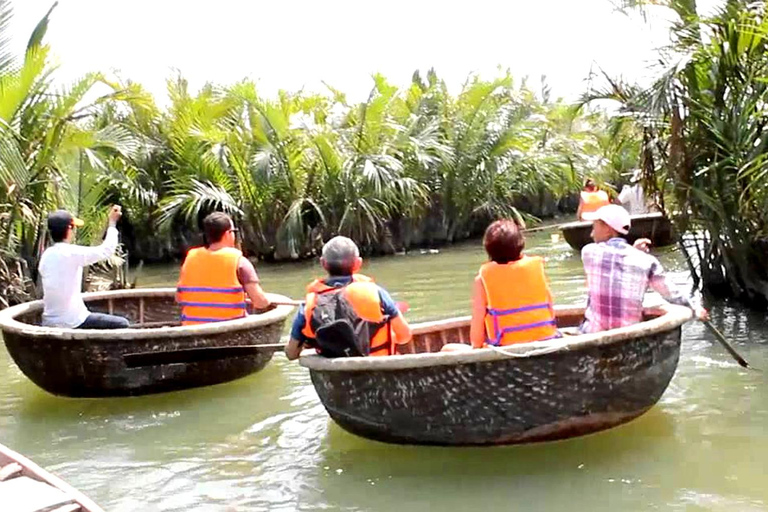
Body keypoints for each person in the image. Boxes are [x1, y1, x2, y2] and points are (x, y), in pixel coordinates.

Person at [580, 204, 708, 333]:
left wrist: (634, 250)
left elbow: (613, 261)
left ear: (608, 229)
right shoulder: (647, 261)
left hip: (593, 332)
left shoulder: (588, 252)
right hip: (630, 335)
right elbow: (671, 293)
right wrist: (695, 308)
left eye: (594, 227)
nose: (591, 234)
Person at [285, 236, 412, 360]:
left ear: (323, 263)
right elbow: (405, 336)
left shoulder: (308, 305)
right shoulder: (377, 293)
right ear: (358, 264)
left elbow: (291, 354)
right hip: (378, 366)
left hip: (336, 374)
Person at [468, 219, 558, 348]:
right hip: (546, 341)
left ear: (488, 250)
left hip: (505, 348)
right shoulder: (537, 269)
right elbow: (550, 308)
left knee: (447, 348)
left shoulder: (482, 280)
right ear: (521, 243)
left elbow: (476, 340)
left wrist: (476, 348)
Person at [39, 205, 131, 329]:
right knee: (123, 323)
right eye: (73, 228)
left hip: (49, 321)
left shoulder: (46, 256)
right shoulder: (71, 253)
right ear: (69, 229)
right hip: (72, 322)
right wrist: (112, 223)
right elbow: (106, 251)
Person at [176, 212, 269, 325]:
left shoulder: (190, 258)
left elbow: (179, 298)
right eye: (234, 232)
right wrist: (267, 301)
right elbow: (260, 303)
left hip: (192, 328)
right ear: (227, 234)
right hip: (229, 329)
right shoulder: (240, 262)